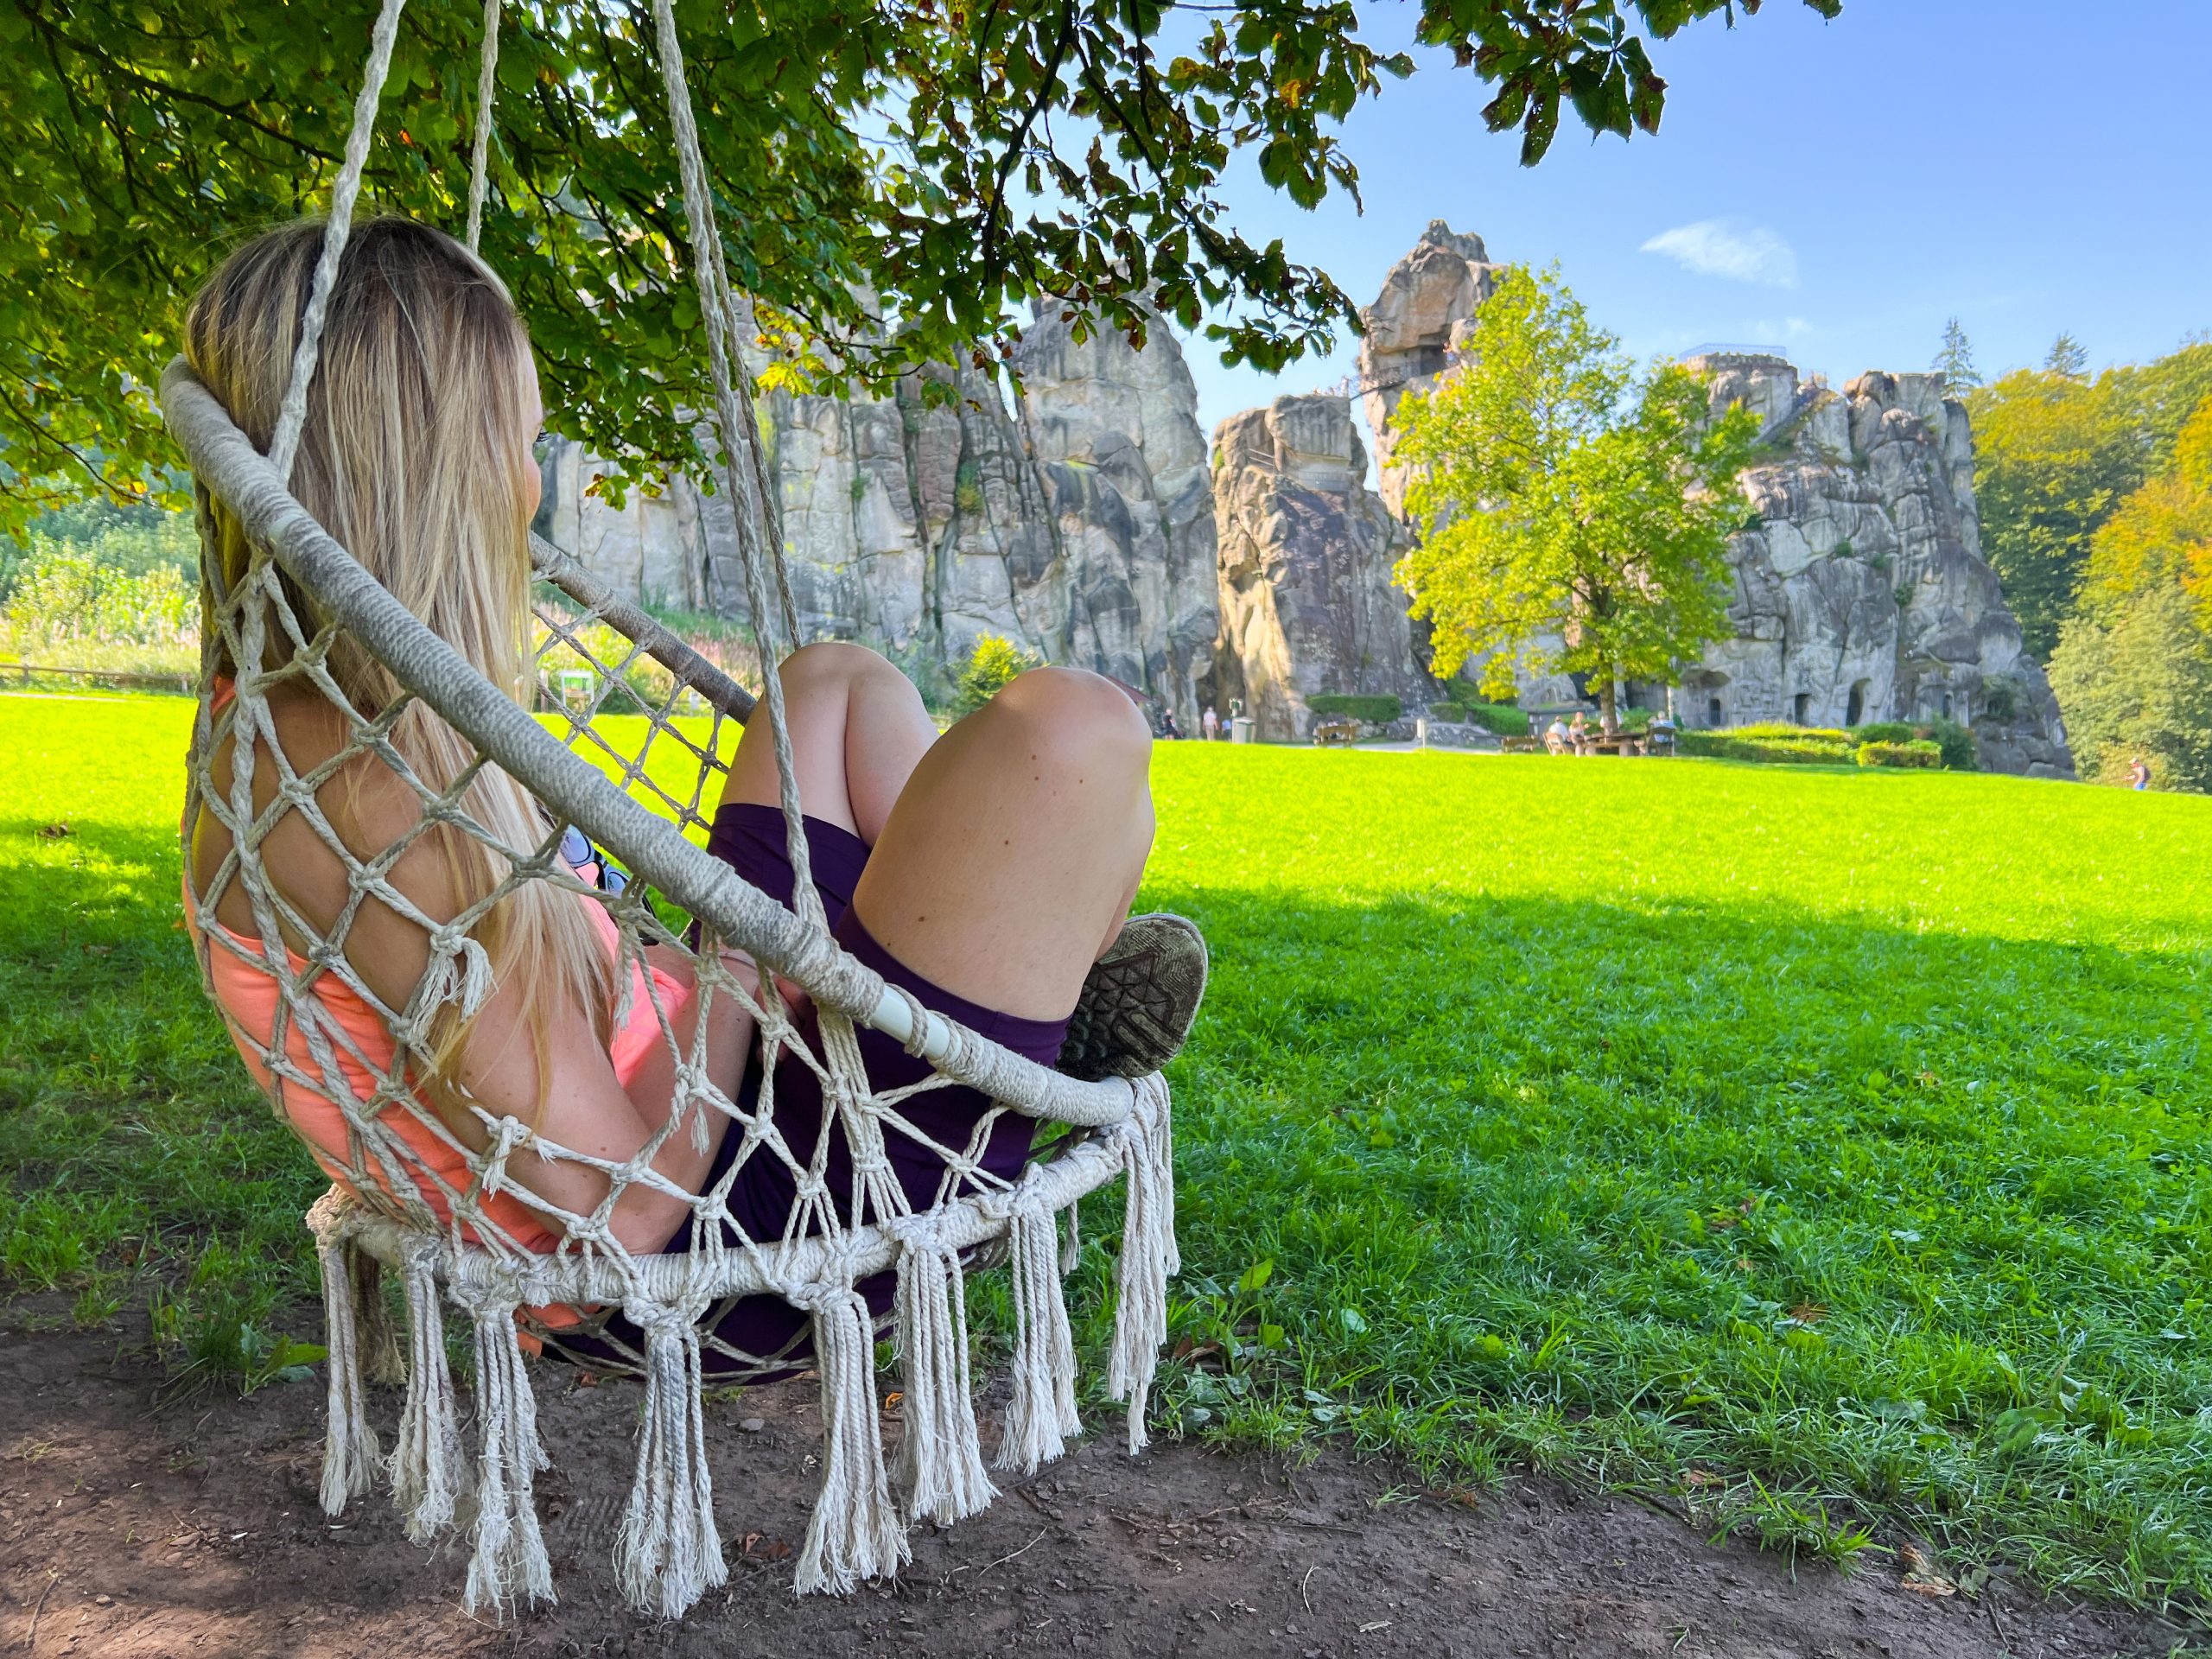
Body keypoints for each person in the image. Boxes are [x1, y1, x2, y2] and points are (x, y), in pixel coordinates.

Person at [178, 217, 1205, 1372]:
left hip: (727, 1096)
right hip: (738, 1236)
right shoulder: (366, 798)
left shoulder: (291, 722)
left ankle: (1023, 993)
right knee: (1076, 735)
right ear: (444, 474)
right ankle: (1034, 1017)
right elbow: (627, 1210)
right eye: (526, 443)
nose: (533, 487)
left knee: (834, 688)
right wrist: (741, 951)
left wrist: (727, 966)